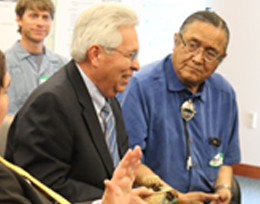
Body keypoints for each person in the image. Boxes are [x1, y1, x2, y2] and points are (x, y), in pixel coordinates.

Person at [4, 2, 152, 204]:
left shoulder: (108, 97)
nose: (136, 65)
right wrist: (107, 200)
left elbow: (114, 173)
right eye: (130, 55)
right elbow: (41, 186)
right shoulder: (52, 103)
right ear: (96, 55)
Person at [117, 10, 241, 204]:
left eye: (210, 53)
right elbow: (131, 164)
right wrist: (173, 197)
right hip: (155, 199)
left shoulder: (224, 94)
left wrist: (223, 188)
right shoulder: (140, 87)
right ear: (176, 41)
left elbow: (224, 160)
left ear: (221, 59)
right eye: (192, 45)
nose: (198, 59)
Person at [5, 0, 67, 116]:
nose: (40, 23)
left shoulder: (63, 66)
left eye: (45, 17)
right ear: (19, 19)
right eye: (33, 16)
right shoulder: (4, 64)